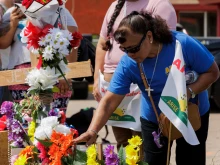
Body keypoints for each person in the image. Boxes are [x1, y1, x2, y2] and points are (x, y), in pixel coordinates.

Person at [74, 11, 219, 165]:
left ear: (149, 37)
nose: (130, 54)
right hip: (155, 119)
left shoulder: (182, 44)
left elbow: (213, 72)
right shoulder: (128, 63)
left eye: (134, 48)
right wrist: (92, 131)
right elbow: (109, 101)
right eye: (125, 49)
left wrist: (189, 92)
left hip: (191, 113)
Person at [93, 0, 177, 149]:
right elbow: (102, 44)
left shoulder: (159, 5)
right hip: (113, 82)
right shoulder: (114, 6)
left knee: (144, 142)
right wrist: (96, 80)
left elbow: (163, 47)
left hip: (142, 82)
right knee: (123, 143)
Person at [0, 2, 78, 112]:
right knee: (26, 120)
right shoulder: (13, 12)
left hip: (55, 75)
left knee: (55, 119)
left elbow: (72, 42)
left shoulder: (59, 10)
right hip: (21, 78)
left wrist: (66, 75)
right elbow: (3, 44)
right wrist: (13, 24)